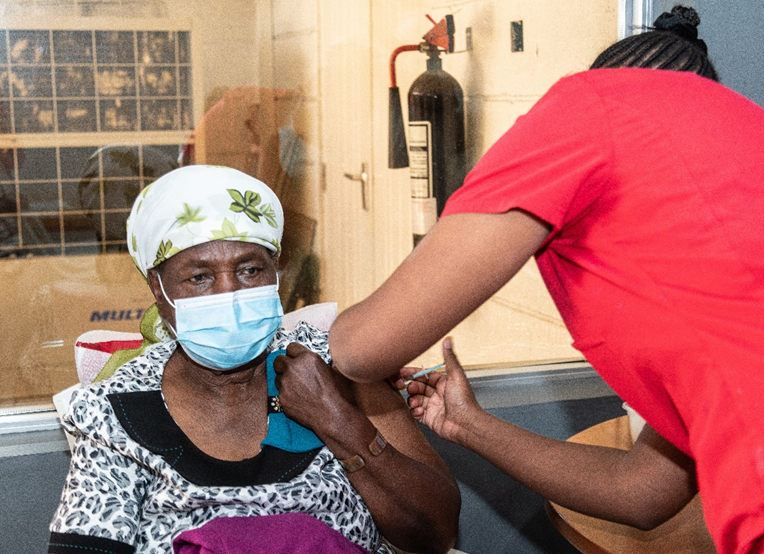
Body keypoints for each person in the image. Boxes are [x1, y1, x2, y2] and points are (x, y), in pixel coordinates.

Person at [327, 6, 764, 554]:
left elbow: (361, 350)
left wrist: (313, 333)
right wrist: (470, 425)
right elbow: (644, 493)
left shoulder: (593, 104)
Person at [48, 165, 460, 554]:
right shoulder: (117, 411)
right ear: (158, 287)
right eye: (199, 277)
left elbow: (434, 533)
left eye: (249, 270)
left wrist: (337, 418)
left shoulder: (339, 364)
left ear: (276, 271)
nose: (229, 294)